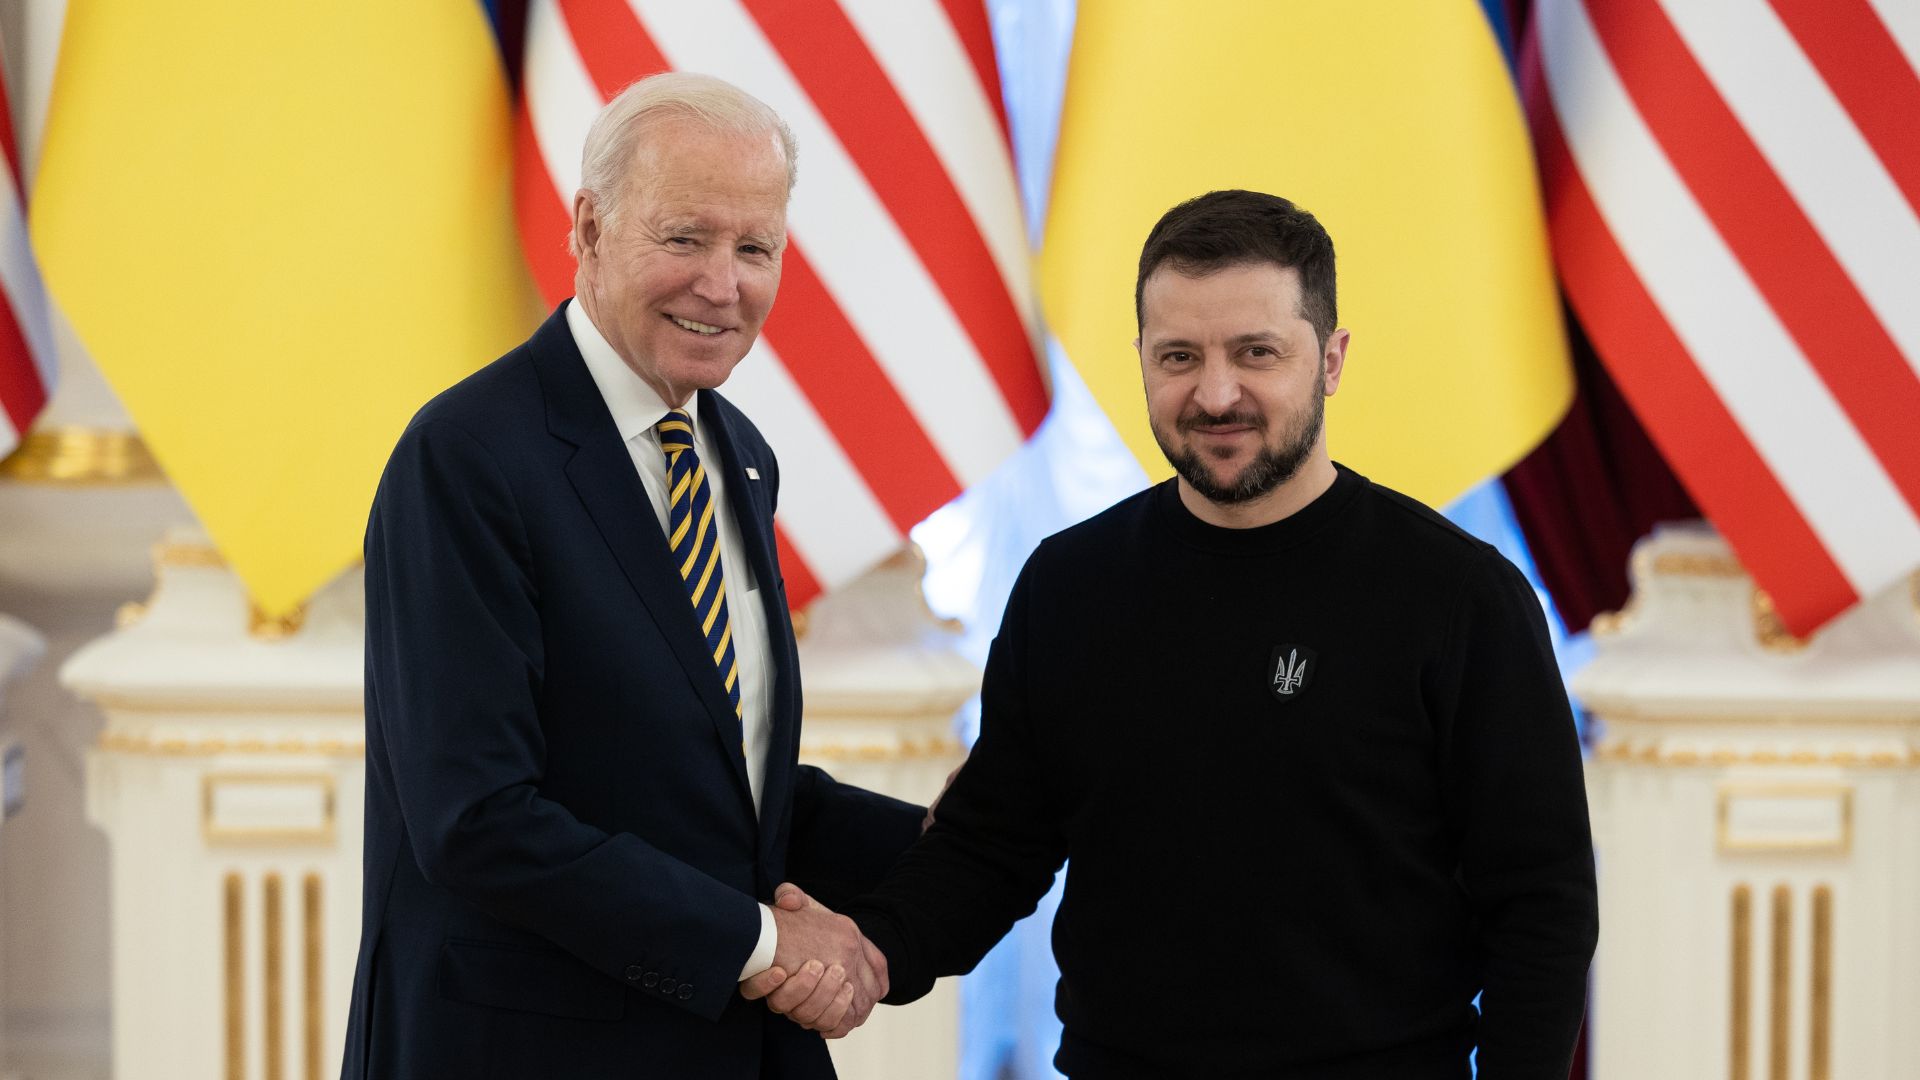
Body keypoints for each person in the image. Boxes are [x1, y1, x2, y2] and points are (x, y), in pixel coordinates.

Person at [768, 190, 1599, 1077]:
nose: (1216, 393)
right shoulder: (1068, 586)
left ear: (1331, 360)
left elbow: (1541, 907)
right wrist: (873, 952)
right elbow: (993, 844)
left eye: (1256, 353)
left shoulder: (1460, 596)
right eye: (1179, 356)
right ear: (1140, 360)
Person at [341, 72, 923, 1080]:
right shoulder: (467, 457)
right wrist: (765, 944)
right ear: (589, 229)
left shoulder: (739, 454)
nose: (723, 285)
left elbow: (713, 786)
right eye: (685, 237)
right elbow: (477, 818)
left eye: (755, 249)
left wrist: (962, 839)